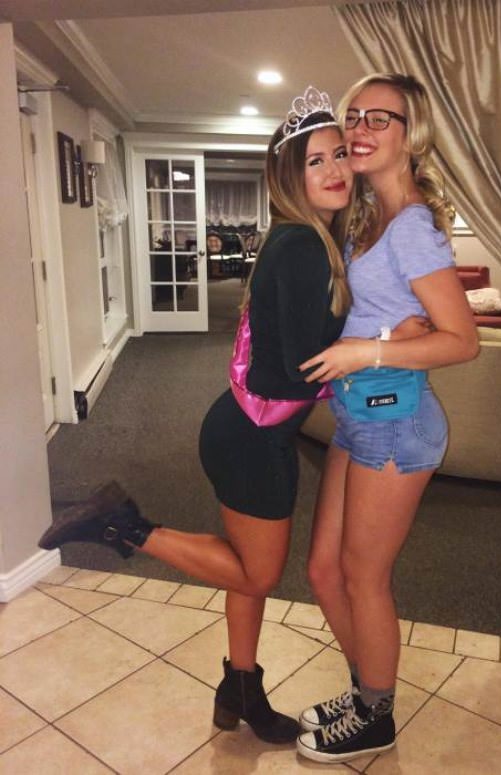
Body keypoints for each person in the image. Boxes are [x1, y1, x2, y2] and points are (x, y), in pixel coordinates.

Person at [38, 86, 353, 746]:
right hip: (254, 436)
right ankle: (122, 525)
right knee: (257, 572)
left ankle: (240, 689)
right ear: (290, 176)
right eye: (315, 160)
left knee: (244, 567)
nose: (334, 169)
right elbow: (301, 366)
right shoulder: (302, 244)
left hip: (243, 426)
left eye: (339, 155)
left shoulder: (300, 238)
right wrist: (373, 350)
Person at [294, 73, 480, 764]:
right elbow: (384, 309)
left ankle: (376, 714)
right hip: (358, 414)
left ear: (411, 134)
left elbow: (463, 341)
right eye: (355, 115)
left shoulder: (412, 228)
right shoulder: (371, 215)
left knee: (363, 576)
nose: (360, 128)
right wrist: (390, 331)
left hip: (394, 420)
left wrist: (368, 349)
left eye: (381, 117)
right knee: (323, 570)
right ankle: (364, 688)